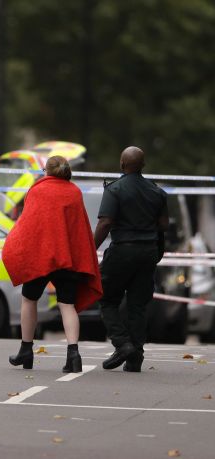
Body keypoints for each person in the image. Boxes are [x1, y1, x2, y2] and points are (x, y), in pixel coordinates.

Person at [2, 156, 102, 373]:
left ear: (46, 171)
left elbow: (28, 226)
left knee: (29, 299)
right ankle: (73, 354)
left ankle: (26, 351)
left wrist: (13, 245)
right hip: (67, 258)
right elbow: (79, 228)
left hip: (41, 257)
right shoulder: (74, 192)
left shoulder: (37, 190)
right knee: (67, 305)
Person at [94, 146, 168, 372]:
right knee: (138, 305)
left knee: (107, 299)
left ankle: (122, 344)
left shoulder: (114, 190)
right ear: (143, 165)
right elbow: (163, 225)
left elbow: (105, 223)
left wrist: (89, 249)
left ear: (122, 164)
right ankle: (135, 357)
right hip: (148, 254)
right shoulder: (157, 192)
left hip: (122, 251)